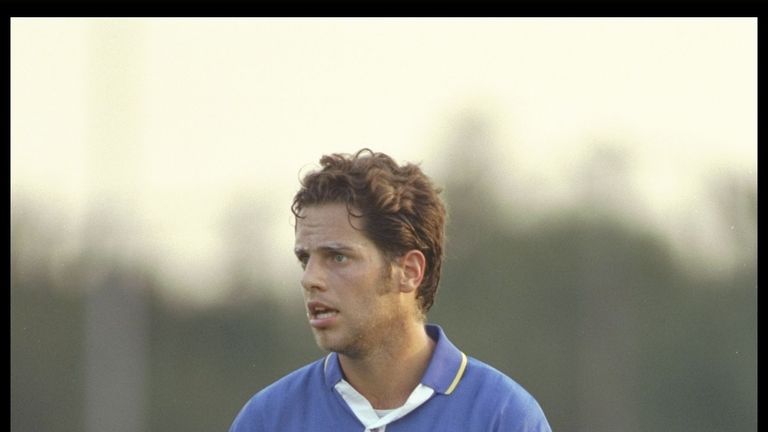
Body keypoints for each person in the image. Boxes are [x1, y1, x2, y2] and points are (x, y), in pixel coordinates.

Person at [229, 149, 551, 432]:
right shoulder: (267, 420)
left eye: (338, 257)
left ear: (409, 272)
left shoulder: (504, 417)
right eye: (305, 259)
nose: (310, 279)